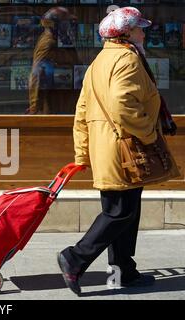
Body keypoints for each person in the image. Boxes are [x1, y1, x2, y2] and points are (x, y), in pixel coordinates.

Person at [57, 7, 180, 295]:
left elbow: (82, 111)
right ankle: (74, 258)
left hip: (109, 147)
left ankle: (123, 272)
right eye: (139, 28)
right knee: (119, 213)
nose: (143, 32)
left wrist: (83, 152)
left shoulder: (100, 60)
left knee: (126, 211)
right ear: (125, 33)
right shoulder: (127, 59)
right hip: (123, 148)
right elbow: (122, 105)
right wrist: (149, 133)